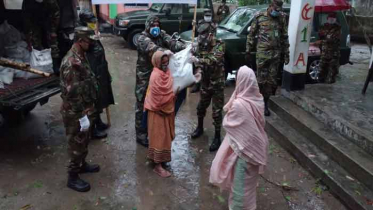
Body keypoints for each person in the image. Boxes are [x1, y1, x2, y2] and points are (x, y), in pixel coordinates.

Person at [209, 66, 269, 210]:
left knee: (240, 185)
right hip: (256, 147)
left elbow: (229, 123)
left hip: (245, 152)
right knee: (249, 184)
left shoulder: (239, 104)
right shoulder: (258, 99)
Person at [60, 27, 100, 192]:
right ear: (81, 41)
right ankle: (72, 176)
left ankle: (82, 165)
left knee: (83, 140)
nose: (91, 44)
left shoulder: (81, 56)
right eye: (89, 41)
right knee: (76, 144)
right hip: (76, 111)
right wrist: (81, 115)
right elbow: (71, 93)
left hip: (84, 108)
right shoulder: (71, 62)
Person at [135, 15, 185, 147]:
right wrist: (165, 52)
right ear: (148, 26)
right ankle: (140, 133)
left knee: (156, 103)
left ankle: (152, 128)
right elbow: (153, 49)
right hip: (144, 76)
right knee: (142, 103)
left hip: (157, 76)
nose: (156, 28)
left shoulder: (161, 35)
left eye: (157, 25)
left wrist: (185, 47)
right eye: (153, 26)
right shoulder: (142, 39)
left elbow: (172, 42)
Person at [246, 0, 289, 116]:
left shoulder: (281, 18)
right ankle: (257, 103)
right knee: (260, 80)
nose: (277, 12)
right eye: (275, 9)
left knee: (271, 81)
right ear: (271, 6)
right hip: (262, 55)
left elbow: (284, 37)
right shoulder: (260, 17)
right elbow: (251, 34)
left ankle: (265, 104)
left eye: (279, 10)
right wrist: (248, 50)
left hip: (275, 55)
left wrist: (286, 53)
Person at [190, 12, 225, 152]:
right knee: (200, 107)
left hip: (217, 83)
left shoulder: (220, 44)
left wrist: (199, 60)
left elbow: (212, 60)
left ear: (211, 34)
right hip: (205, 82)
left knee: (216, 112)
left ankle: (217, 137)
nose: (201, 37)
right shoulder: (201, 44)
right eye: (200, 34)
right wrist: (191, 52)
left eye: (204, 34)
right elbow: (195, 56)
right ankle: (199, 128)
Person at [80, 11, 115, 139]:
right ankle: (92, 130)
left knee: (100, 98)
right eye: (91, 22)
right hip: (92, 72)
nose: (94, 24)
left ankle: (98, 122)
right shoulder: (82, 34)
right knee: (93, 101)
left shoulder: (92, 32)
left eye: (94, 21)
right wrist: (91, 38)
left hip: (100, 69)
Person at [144, 51, 178, 178]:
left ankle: (161, 160)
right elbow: (158, 99)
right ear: (157, 62)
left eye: (167, 62)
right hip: (157, 111)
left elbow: (169, 89)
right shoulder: (155, 76)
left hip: (167, 110)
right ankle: (157, 166)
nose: (165, 64)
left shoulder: (167, 73)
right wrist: (172, 95)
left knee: (165, 137)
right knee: (159, 137)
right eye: (162, 62)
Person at [22, 0, 60, 73]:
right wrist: (28, 34)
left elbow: (56, 14)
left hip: (48, 21)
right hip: (34, 22)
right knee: (35, 43)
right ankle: (40, 66)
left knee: (53, 42)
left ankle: (55, 66)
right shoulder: (27, 2)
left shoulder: (51, 1)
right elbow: (26, 18)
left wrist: (53, 30)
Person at [190, 9, 217, 94]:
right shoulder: (201, 22)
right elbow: (199, 31)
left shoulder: (213, 25)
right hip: (200, 47)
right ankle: (197, 85)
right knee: (198, 67)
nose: (208, 17)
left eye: (209, 16)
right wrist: (195, 25)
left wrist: (197, 25)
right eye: (207, 16)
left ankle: (206, 85)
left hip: (208, 48)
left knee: (207, 67)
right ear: (204, 16)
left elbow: (201, 30)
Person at [318, 12, 341, 84]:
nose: (331, 19)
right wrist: (321, 35)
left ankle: (329, 89)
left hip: (333, 54)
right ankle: (321, 86)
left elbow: (334, 40)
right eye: (330, 18)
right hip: (324, 53)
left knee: (332, 74)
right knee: (321, 71)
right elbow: (321, 35)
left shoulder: (337, 28)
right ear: (327, 18)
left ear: (335, 19)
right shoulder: (325, 26)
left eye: (333, 18)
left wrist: (324, 38)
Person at [57, 0, 78, 67]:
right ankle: (66, 64)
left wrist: (75, 23)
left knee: (69, 46)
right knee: (64, 46)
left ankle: (68, 64)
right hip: (64, 26)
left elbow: (75, 11)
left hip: (68, 26)